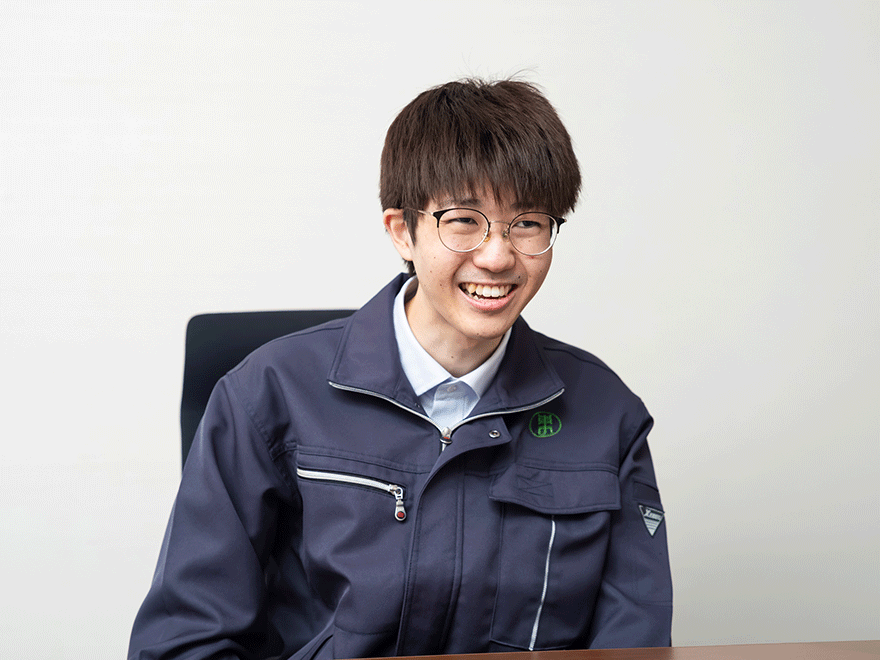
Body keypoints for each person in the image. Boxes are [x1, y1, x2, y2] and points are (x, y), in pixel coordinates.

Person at [128, 78, 672, 660]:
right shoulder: (267, 395)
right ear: (402, 232)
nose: (498, 256)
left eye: (528, 223)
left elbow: (633, 645)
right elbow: (185, 643)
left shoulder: (606, 414)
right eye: (463, 220)